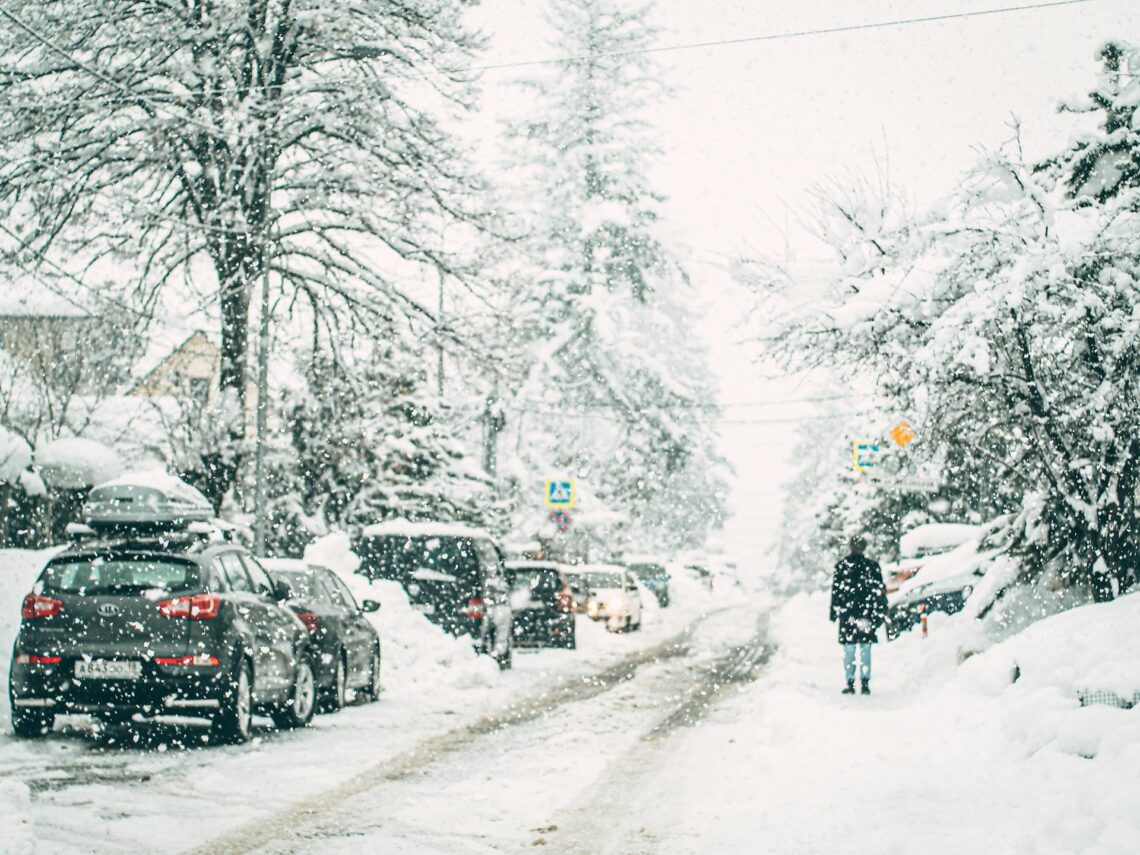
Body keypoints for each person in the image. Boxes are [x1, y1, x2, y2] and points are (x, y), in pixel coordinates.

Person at [829, 535, 888, 695]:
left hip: (848, 614)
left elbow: (836, 592)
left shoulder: (842, 566)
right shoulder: (872, 567)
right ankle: (865, 681)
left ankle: (850, 681)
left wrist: (835, 611)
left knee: (849, 648)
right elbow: (879, 591)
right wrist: (881, 611)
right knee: (865, 647)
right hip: (865, 613)